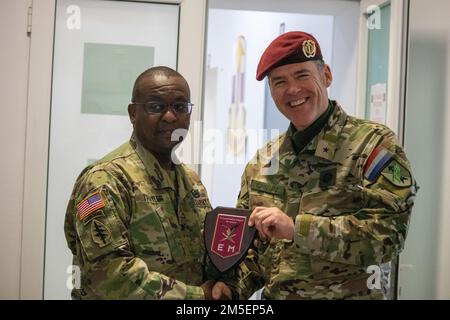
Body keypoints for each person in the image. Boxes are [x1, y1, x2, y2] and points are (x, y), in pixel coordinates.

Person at [212, 31, 418, 300]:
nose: (292, 90)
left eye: (302, 75)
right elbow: (252, 251)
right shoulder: (263, 162)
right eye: (279, 82)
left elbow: (388, 236)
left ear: (326, 76)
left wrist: (297, 229)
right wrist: (230, 288)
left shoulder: (373, 146)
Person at [64, 66, 230, 299]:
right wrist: (196, 297)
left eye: (180, 107)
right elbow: (111, 275)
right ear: (133, 113)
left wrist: (221, 283)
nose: (171, 116)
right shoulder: (107, 180)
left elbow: (206, 257)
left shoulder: (191, 182)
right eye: (156, 107)